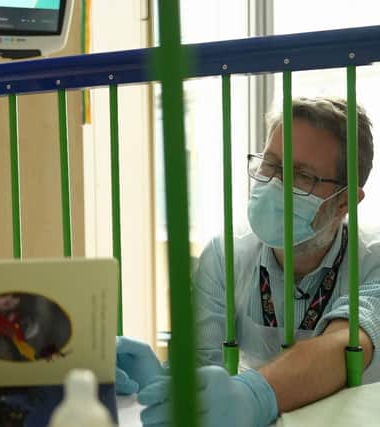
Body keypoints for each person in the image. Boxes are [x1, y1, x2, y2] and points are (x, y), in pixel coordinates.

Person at [117, 97, 380, 427]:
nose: (274, 185)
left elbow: (345, 346)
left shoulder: (374, 261)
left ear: (344, 202)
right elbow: (202, 372)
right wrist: (156, 385)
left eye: (302, 175)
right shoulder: (226, 256)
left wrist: (254, 395)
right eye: (270, 165)